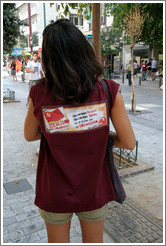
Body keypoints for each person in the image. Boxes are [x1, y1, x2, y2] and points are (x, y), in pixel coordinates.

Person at [24, 19, 136, 243]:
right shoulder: (108, 90)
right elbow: (128, 142)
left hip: (53, 190)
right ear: (84, 51)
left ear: (48, 58)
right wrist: (105, 134)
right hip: (94, 189)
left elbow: (30, 135)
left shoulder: (38, 93)